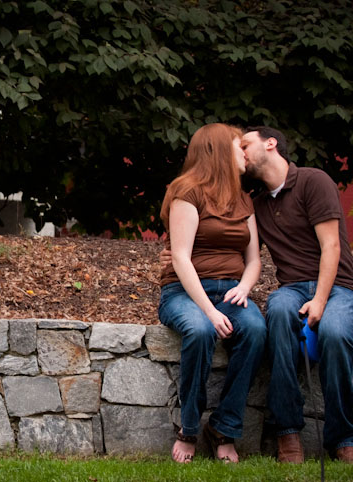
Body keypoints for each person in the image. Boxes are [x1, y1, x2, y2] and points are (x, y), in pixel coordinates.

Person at [239, 126, 353, 463]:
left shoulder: (313, 181)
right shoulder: (256, 204)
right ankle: (287, 432)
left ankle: (343, 437)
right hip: (291, 289)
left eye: (245, 144)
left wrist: (319, 300)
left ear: (271, 143)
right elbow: (243, 253)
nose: (241, 151)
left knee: (335, 331)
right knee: (278, 309)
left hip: (338, 287)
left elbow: (331, 246)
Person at [158, 123, 266, 464]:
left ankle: (224, 428)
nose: (245, 153)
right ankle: (189, 428)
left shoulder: (244, 199)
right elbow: (180, 258)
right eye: (239, 146)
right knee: (201, 330)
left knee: (256, 330)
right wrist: (209, 310)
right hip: (185, 291)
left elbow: (254, 260)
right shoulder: (186, 192)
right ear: (219, 151)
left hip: (231, 290)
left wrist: (244, 288)